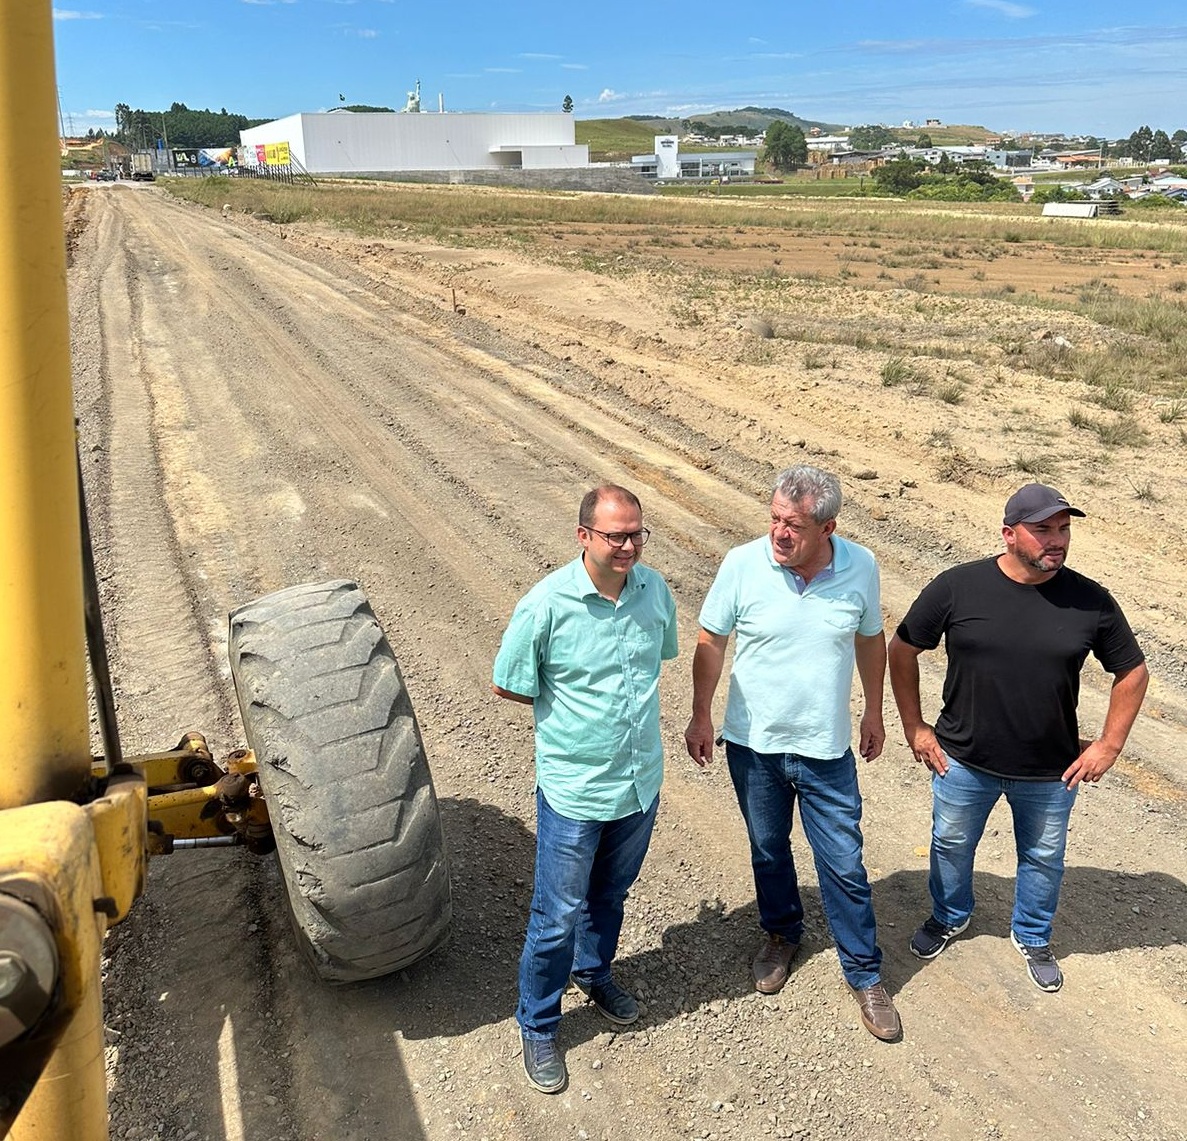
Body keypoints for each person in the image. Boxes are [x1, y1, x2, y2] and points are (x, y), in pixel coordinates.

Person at [888, 483, 1148, 992]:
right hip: (962, 760)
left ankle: (1032, 933)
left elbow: (1133, 673)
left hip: (1050, 769)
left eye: (1063, 529)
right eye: (1043, 529)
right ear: (1010, 535)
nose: (1057, 540)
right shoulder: (957, 587)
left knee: (1044, 857)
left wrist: (1108, 745)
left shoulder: (1089, 600)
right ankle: (950, 915)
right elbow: (902, 649)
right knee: (951, 846)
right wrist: (915, 727)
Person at [684, 464, 901, 1041]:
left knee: (845, 864)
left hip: (826, 750)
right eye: (775, 519)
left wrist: (874, 710)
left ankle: (864, 972)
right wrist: (702, 712)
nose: (779, 533)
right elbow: (712, 640)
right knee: (768, 849)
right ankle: (782, 934)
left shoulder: (862, 567)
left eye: (794, 525)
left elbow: (870, 637)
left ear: (828, 527)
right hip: (753, 746)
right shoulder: (741, 563)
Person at [492, 484, 678, 1094]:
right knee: (555, 915)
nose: (628, 546)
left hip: (638, 781)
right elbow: (512, 683)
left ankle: (593, 973)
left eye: (636, 534)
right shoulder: (546, 605)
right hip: (575, 787)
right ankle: (539, 1023)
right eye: (614, 535)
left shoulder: (656, 593)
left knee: (611, 893)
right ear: (583, 537)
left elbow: (661, 662)